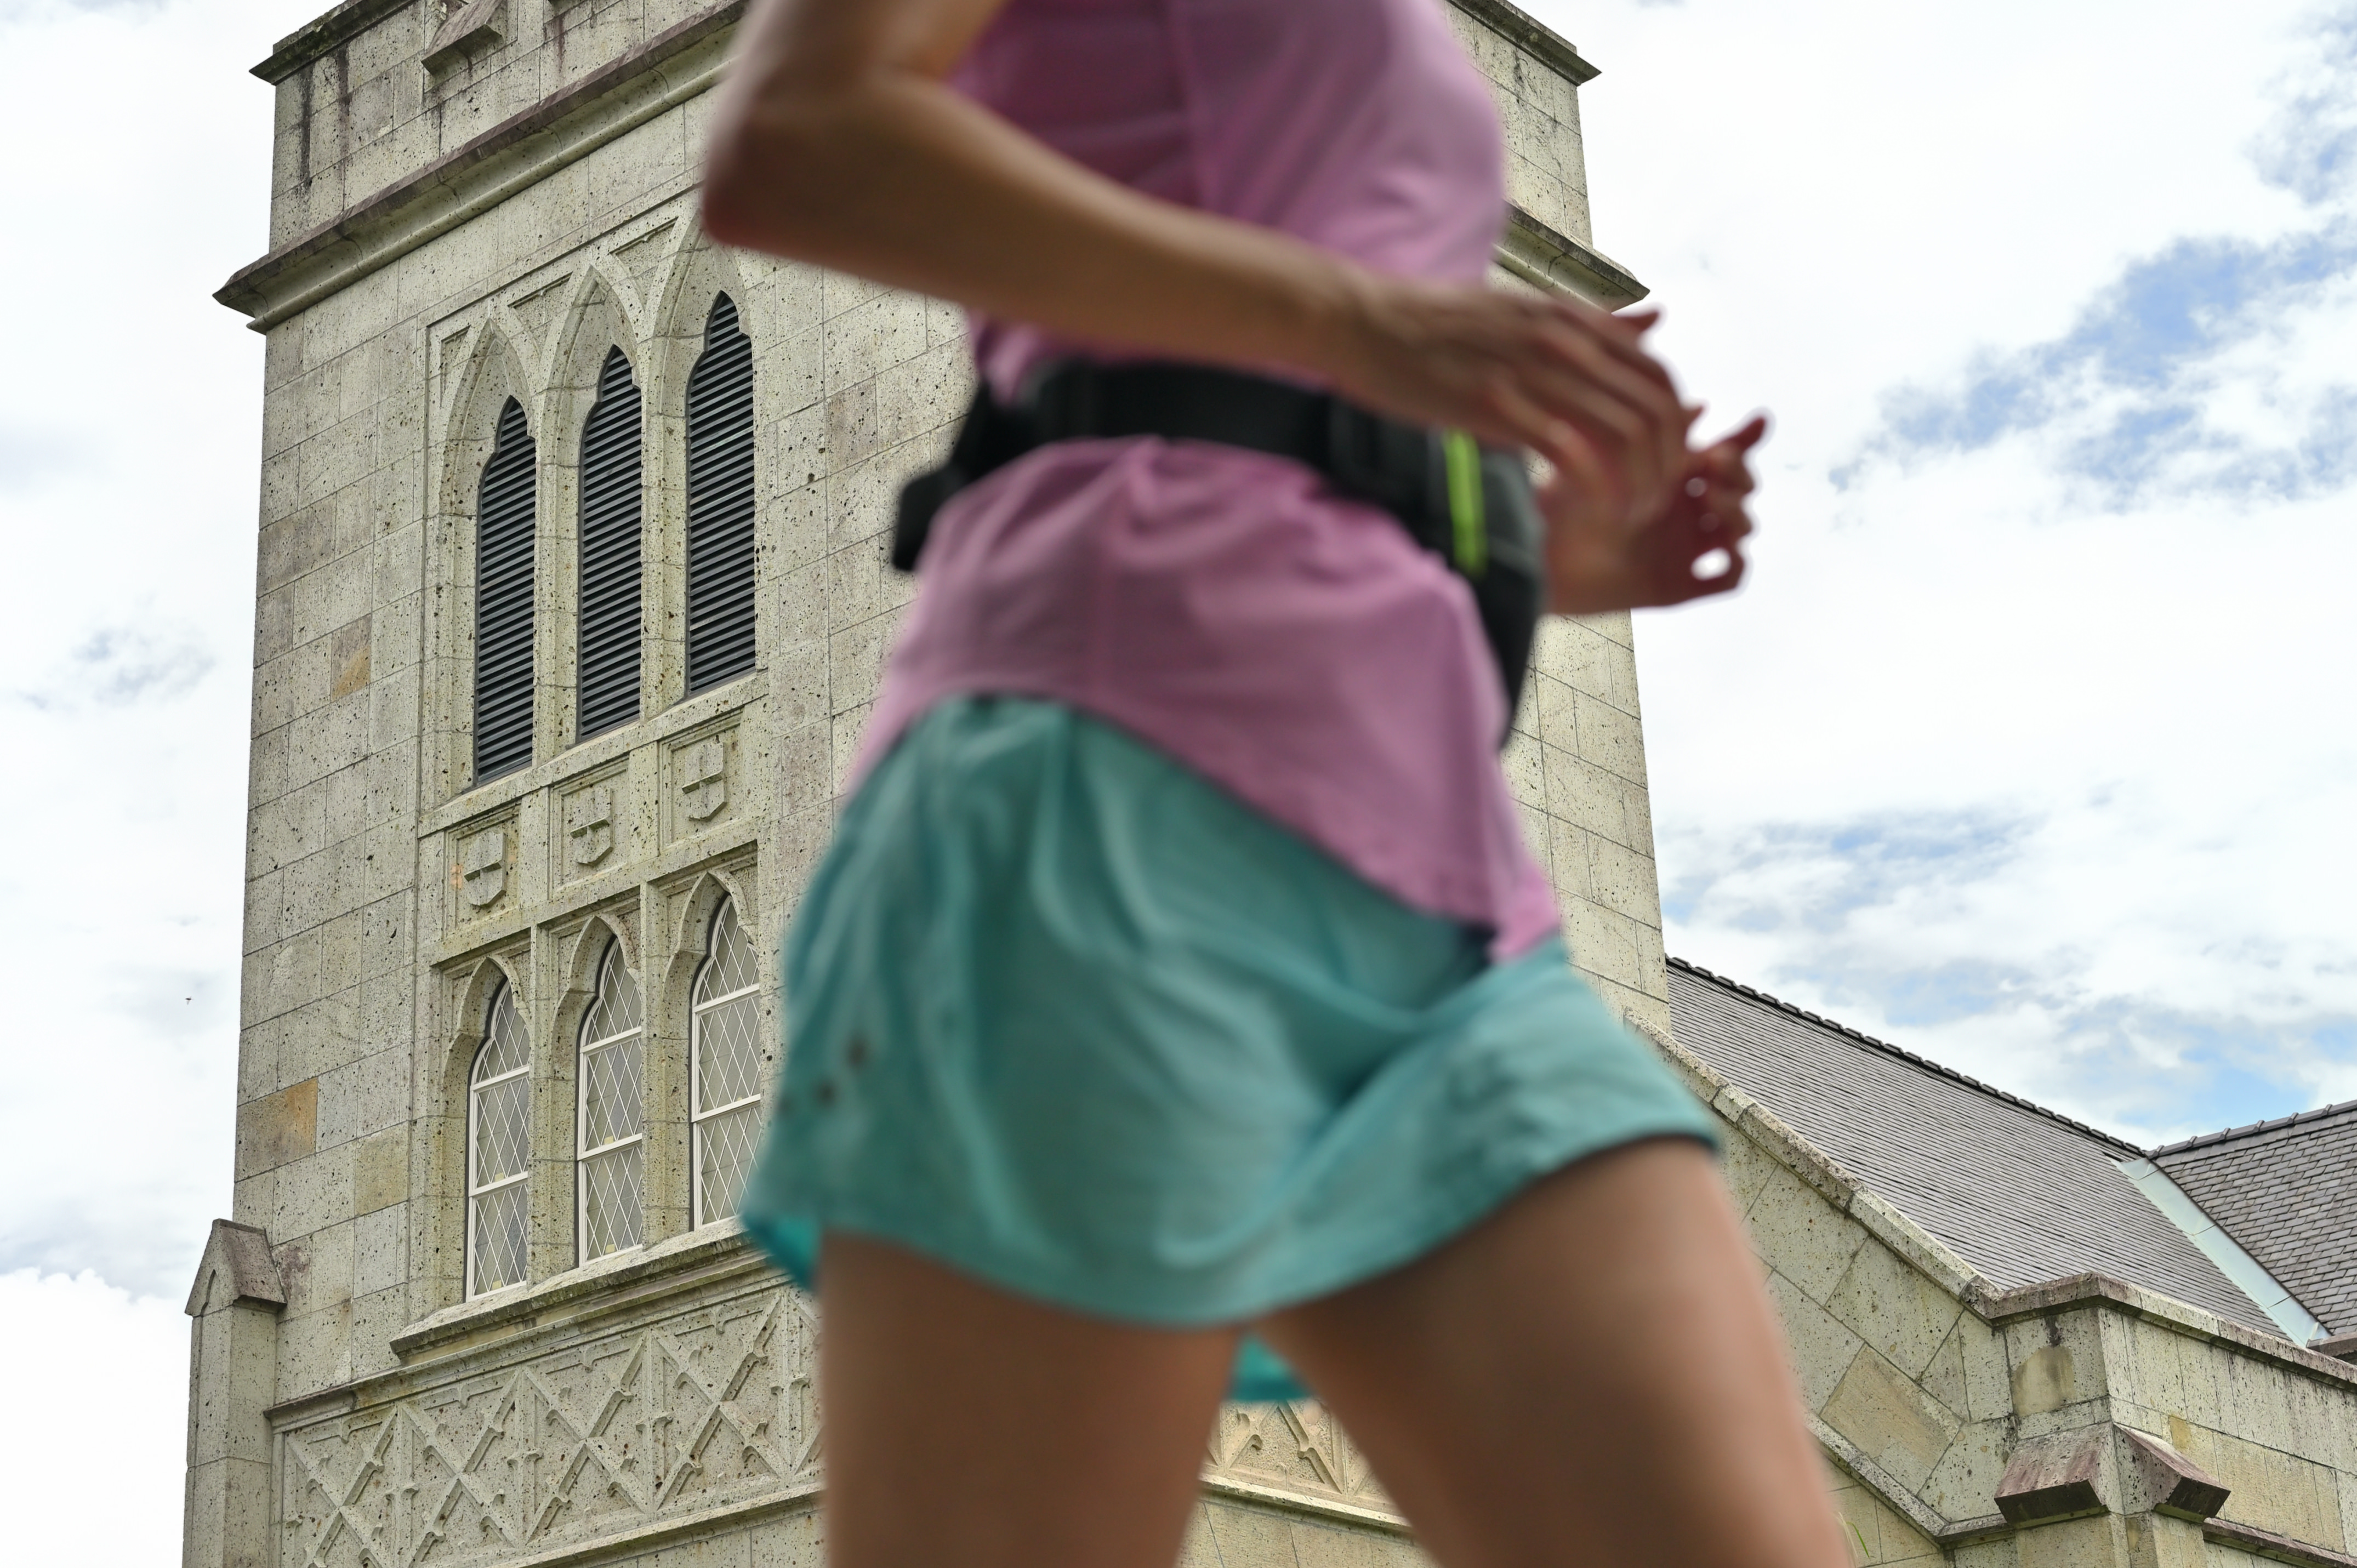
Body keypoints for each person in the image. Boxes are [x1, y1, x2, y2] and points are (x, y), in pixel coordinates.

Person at [699, 1, 1846, 1564]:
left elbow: (1300, 388)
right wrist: (1360, 327)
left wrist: (1532, 548)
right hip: (1101, 791)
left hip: (1450, 905)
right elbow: (797, 141)